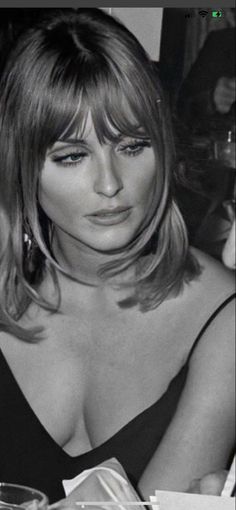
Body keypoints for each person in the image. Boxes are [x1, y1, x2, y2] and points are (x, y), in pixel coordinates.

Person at [0, 8, 235, 504]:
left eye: (132, 146)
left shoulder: (224, 320)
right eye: (71, 156)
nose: (110, 184)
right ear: (20, 163)